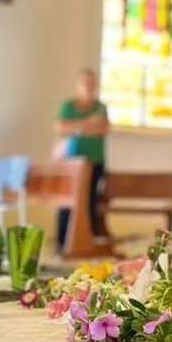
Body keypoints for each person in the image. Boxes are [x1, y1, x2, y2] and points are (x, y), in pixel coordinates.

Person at [54, 68, 110, 244]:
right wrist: (87, 125)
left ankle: (85, 240)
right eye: (85, 82)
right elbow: (61, 127)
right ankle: (63, 239)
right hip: (71, 162)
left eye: (92, 82)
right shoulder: (68, 106)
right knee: (67, 200)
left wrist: (78, 127)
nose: (88, 86)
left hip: (95, 161)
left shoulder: (101, 107)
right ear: (78, 84)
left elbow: (103, 129)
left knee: (90, 199)